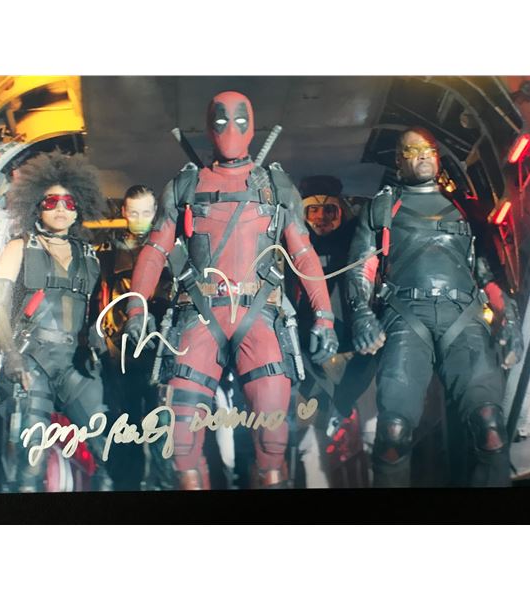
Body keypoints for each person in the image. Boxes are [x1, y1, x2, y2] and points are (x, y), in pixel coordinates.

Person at [124, 90, 338, 489]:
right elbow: (154, 251)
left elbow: (304, 254)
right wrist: (136, 310)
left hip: (259, 317)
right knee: (182, 446)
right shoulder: (185, 185)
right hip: (200, 317)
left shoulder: (275, 185)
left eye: (239, 120)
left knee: (272, 449)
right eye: (220, 121)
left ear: (252, 125)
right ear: (209, 127)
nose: (230, 129)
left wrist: (324, 316)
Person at [345, 127, 524, 487]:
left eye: (428, 149)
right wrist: (361, 313)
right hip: (405, 316)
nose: (423, 155)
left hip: (464, 314)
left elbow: (483, 270)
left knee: (490, 427)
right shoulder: (382, 208)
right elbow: (361, 268)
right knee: (393, 434)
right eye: (413, 151)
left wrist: (507, 314)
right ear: (399, 162)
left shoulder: (464, 208)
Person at [0, 150, 112, 492]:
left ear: (79, 208)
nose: (61, 208)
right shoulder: (19, 247)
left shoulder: (88, 256)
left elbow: (93, 313)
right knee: (30, 463)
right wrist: (12, 355)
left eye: (69, 202)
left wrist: (97, 345)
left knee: (107, 450)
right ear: (37, 206)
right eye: (52, 201)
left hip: (74, 365)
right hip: (33, 362)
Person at [289, 176, 374, 488]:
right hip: (309, 350)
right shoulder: (291, 244)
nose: (321, 218)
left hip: (355, 347)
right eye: (313, 211)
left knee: (366, 431)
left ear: (342, 211)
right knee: (315, 436)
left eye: (329, 211)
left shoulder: (356, 238)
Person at [96, 184, 173, 490]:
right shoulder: (108, 252)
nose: (140, 219)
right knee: (125, 425)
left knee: (162, 427)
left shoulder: (172, 251)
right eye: (134, 212)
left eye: (146, 212)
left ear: (155, 213)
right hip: (120, 354)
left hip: (161, 353)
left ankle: (163, 485)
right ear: (124, 212)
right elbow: (98, 299)